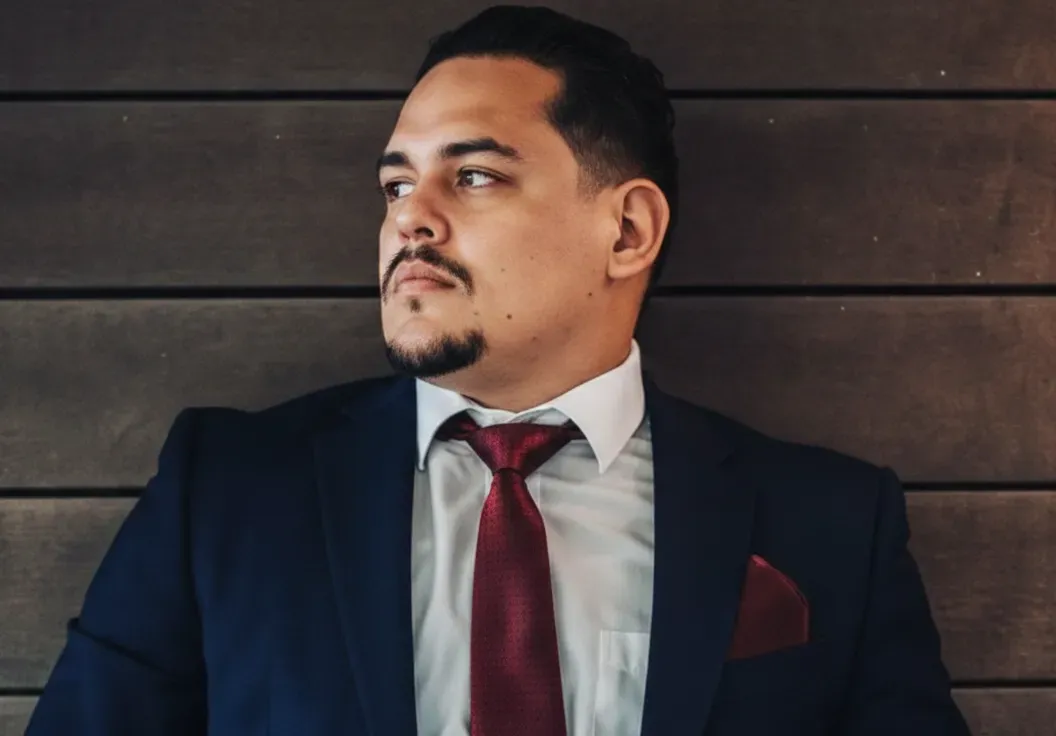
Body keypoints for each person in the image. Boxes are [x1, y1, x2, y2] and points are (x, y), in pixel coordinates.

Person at [27, 5, 970, 735]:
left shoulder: (831, 523)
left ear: (627, 230)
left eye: (474, 175)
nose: (410, 216)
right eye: (397, 184)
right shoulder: (226, 492)